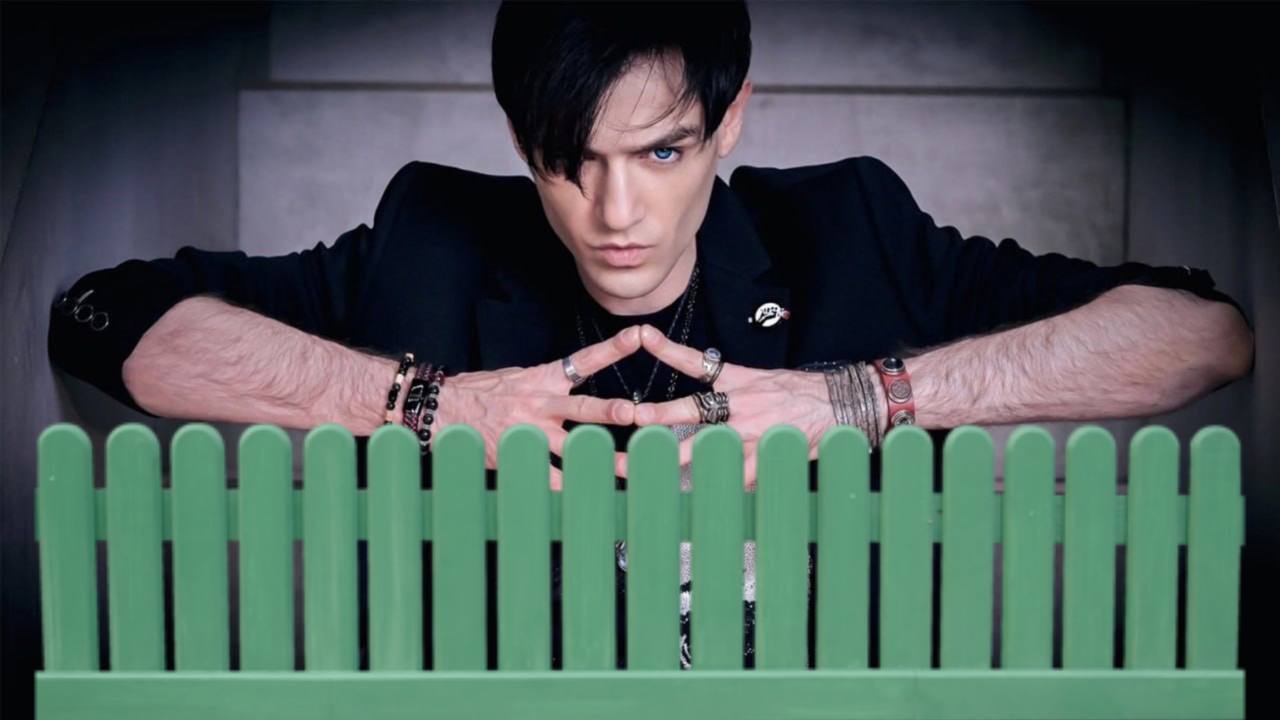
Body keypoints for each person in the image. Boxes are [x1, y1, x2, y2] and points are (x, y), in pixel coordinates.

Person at [46, 1, 1254, 669]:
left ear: (730, 122)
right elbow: (103, 315)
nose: (614, 213)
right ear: (520, 143)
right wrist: (426, 403)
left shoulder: (852, 232)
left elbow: (1200, 333)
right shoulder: (431, 242)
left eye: (662, 151)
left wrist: (860, 396)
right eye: (568, 162)